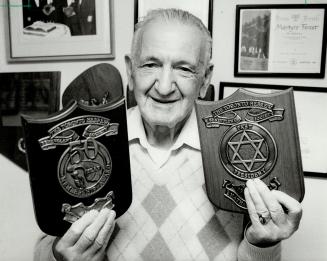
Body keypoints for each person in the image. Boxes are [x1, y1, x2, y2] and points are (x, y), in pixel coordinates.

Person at [34, 9, 302, 261]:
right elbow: (46, 246)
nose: (163, 87)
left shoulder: (238, 151)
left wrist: (262, 245)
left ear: (205, 79)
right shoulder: (86, 147)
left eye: (184, 69)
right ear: (130, 70)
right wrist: (60, 256)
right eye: (150, 64)